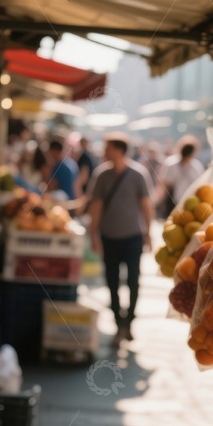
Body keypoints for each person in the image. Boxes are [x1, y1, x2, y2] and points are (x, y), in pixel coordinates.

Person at [88, 134, 154, 345]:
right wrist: (94, 235)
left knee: (134, 281)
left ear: (118, 150)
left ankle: (129, 322)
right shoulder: (101, 175)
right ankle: (119, 323)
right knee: (112, 282)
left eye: (107, 148)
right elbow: (96, 207)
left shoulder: (138, 174)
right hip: (109, 237)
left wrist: (148, 232)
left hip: (133, 237)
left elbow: (146, 205)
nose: (104, 152)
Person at [157, 136, 204, 210]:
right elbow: (164, 186)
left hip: (190, 205)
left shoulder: (196, 166)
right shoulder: (171, 164)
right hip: (173, 204)